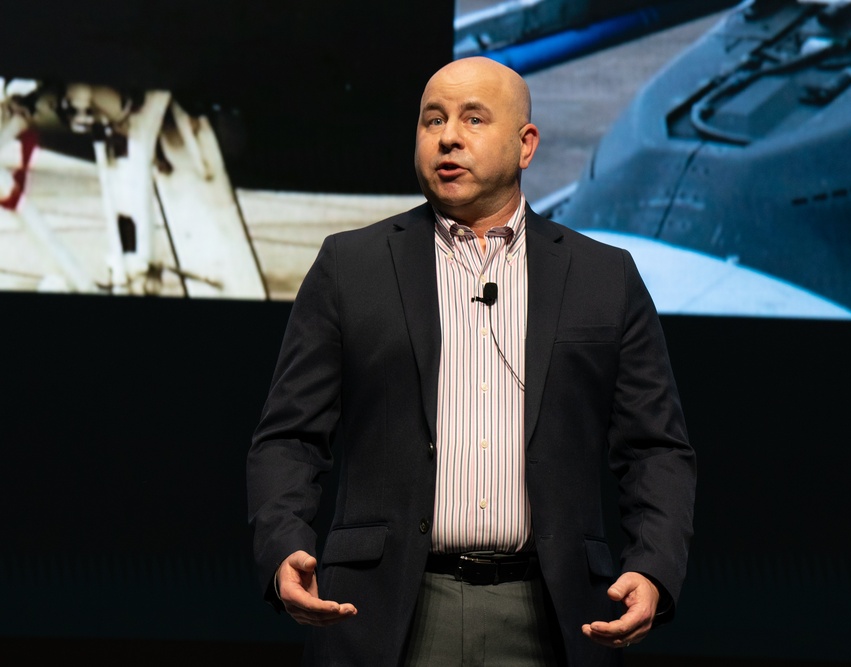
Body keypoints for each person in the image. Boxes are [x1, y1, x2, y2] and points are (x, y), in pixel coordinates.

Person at [247, 56, 695, 666]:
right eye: (432, 120)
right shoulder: (350, 267)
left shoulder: (602, 277)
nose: (448, 136)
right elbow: (289, 437)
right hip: (385, 612)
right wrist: (282, 546)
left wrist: (653, 566)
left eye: (473, 119)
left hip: (551, 611)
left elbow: (655, 448)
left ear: (525, 144)